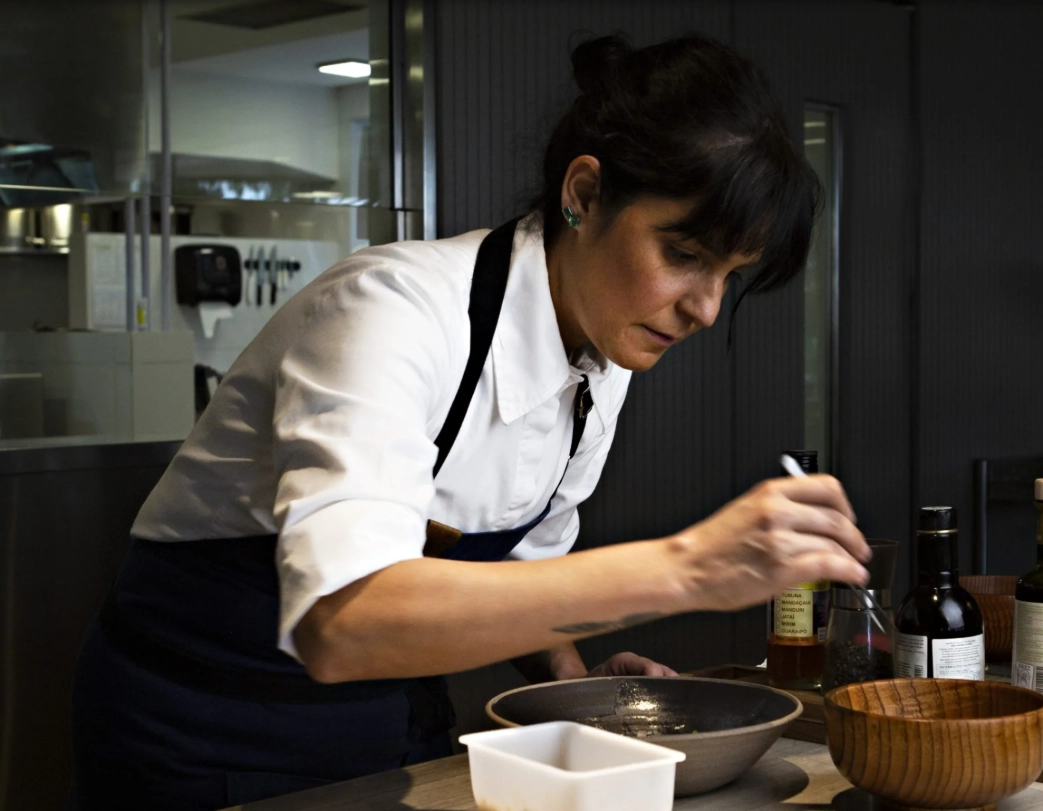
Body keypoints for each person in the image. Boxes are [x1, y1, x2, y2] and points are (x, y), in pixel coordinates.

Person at [69, 32, 870, 811]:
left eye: (730, 275)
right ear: (583, 194)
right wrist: (686, 567)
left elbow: (516, 569)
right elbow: (343, 622)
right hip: (202, 731)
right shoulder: (390, 310)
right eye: (684, 254)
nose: (704, 309)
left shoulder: (602, 355)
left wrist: (576, 686)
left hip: (386, 725)